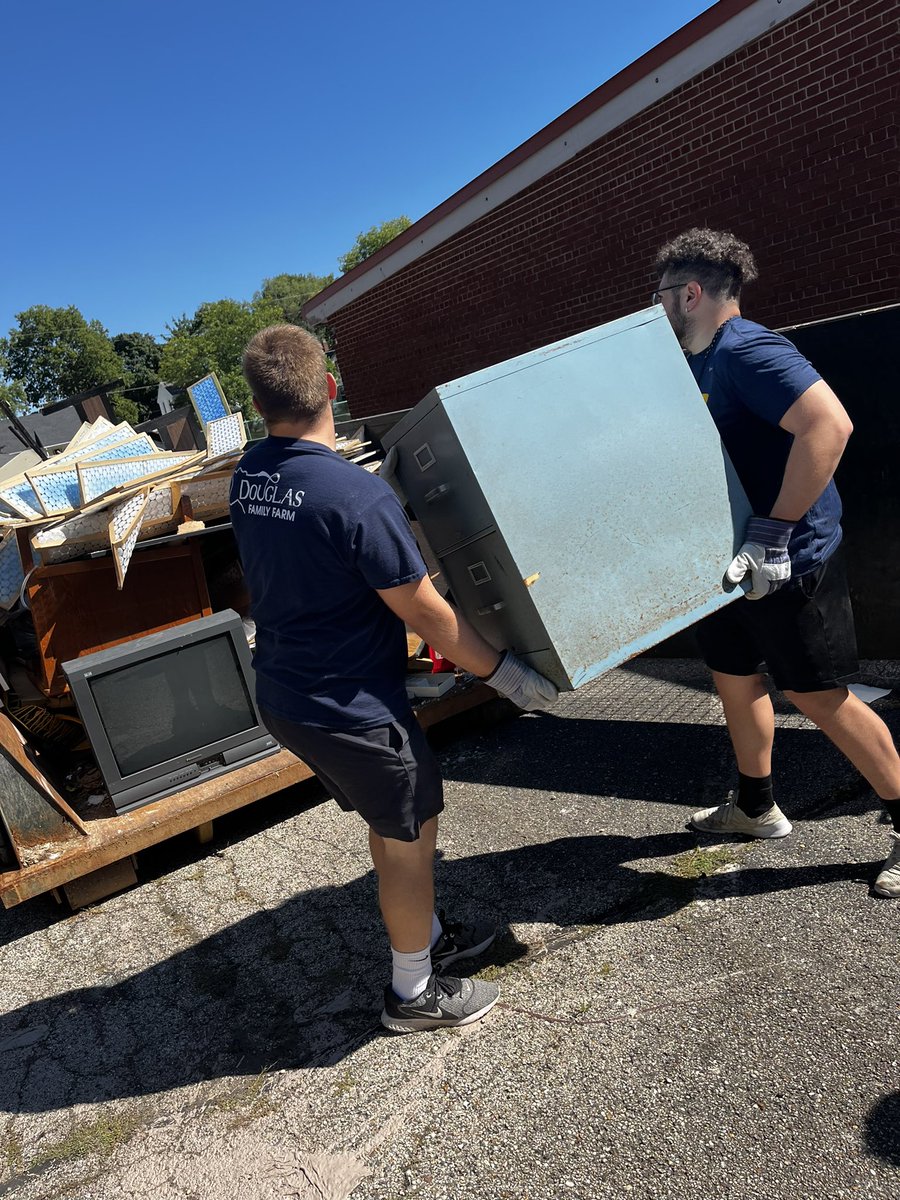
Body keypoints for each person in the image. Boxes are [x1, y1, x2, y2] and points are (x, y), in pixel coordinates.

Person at [229, 325, 559, 1033]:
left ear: (260, 407)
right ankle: (412, 992)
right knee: (411, 835)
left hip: (286, 696)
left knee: (391, 822)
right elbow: (428, 615)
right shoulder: (354, 497)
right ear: (332, 389)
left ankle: (428, 934)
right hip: (349, 707)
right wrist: (506, 673)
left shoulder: (250, 475)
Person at [651, 228, 900, 898]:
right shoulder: (697, 359)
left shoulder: (748, 350)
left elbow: (830, 426)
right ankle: (756, 809)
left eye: (662, 296)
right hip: (734, 565)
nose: (657, 309)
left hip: (786, 560)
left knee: (818, 696)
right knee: (733, 677)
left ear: (691, 293)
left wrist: (773, 531)